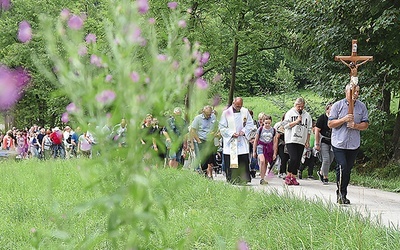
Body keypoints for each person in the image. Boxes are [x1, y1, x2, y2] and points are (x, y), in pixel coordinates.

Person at [328, 83, 369, 204]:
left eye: (358, 91)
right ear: (346, 92)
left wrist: (356, 125)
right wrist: (344, 119)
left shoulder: (361, 107)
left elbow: (365, 124)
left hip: (353, 144)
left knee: (348, 169)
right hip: (339, 142)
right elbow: (330, 124)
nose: (356, 94)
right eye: (353, 91)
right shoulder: (337, 105)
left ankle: (344, 192)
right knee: (342, 166)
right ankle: (340, 194)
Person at [219, 97, 256, 184]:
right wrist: (231, 133)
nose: (239, 107)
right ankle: (232, 179)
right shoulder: (226, 113)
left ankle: (243, 179)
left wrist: (244, 131)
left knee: (243, 160)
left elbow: (250, 124)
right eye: (237, 105)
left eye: (240, 106)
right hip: (231, 141)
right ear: (233, 103)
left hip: (242, 140)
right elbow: (222, 127)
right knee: (232, 161)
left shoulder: (245, 111)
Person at [283, 97, 312, 185]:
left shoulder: (307, 115)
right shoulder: (290, 113)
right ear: (295, 105)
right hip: (291, 139)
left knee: (298, 159)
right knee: (293, 158)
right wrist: (296, 121)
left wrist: (307, 141)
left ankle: (294, 177)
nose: (300, 108)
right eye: (298, 106)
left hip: (301, 139)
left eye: (302, 107)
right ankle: (288, 176)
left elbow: (309, 129)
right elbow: (285, 125)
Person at [190, 105, 218, 178]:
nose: (209, 116)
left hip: (211, 140)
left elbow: (216, 126)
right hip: (202, 140)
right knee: (204, 159)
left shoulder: (213, 117)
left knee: (211, 158)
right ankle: (205, 174)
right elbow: (193, 130)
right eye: (207, 114)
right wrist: (198, 141)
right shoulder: (198, 118)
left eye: (210, 114)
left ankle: (210, 175)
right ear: (203, 112)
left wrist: (214, 132)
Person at [252, 115, 278, 185]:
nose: (267, 125)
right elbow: (256, 140)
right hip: (261, 146)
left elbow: (275, 142)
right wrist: (254, 151)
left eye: (269, 123)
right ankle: (261, 178)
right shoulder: (260, 129)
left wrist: (275, 153)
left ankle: (263, 178)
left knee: (266, 163)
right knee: (262, 161)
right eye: (266, 123)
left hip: (269, 148)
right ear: (263, 122)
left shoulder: (273, 130)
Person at [315, 103, 335, 185]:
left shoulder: (335, 118)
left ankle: (321, 172)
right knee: (326, 159)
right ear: (327, 109)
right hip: (323, 140)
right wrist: (317, 144)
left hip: (333, 141)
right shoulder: (322, 118)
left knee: (330, 160)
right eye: (331, 109)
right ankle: (325, 176)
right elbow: (317, 130)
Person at [274, 113, 289, 179]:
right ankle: (283, 172)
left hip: (288, 144)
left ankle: (283, 171)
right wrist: (275, 147)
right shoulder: (281, 126)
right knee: (283, 157)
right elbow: (277, 137)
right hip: (281, 144)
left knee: (286, 158)